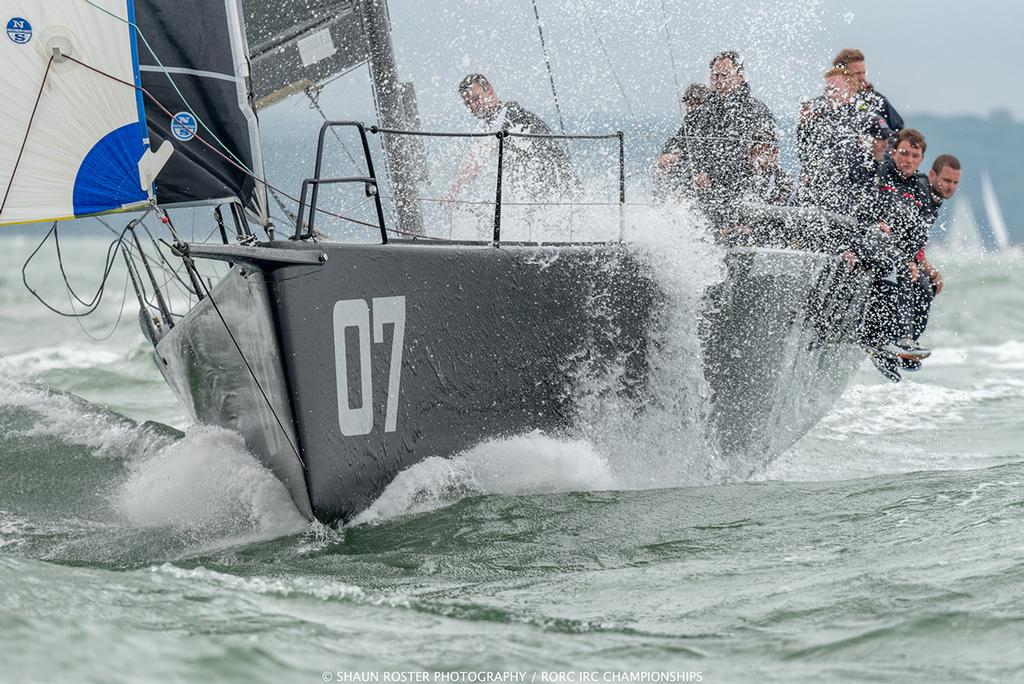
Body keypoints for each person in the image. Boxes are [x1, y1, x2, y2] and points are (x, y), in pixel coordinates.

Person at [444, 74, 575, 204]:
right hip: (543, 194)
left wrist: (452, 193)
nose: (473, 106)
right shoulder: (502, 117)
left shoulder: (509, 117)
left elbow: (474, 163)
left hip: (558, 191)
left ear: (488, 90)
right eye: (468, 103)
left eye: (476, 98)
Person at [684, 51, 778, 222]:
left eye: (724, 75)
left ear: (740, 76)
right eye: (715, 75)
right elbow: (686, 146)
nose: (719, 80)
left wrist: (711, 175)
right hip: (703, 201)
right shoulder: (702, 112)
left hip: (741, 202)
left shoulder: (756, 112)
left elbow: (761, 160)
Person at [797, 67, 875, 216]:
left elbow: (874, 162)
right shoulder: (818, 115)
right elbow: (804, 153)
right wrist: (804, 127)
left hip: (849, 200)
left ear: (851, 91)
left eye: (834, 89)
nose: (828, 94)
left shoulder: (865, 119)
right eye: (826, 90)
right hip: (815, 196)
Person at [909, 154, 962, 340]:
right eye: (947, 180)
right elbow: (902, 234)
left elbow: (917, 245)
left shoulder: (935, 199)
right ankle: (899, 341)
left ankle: (906, 345)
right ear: (932, 175)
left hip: (907, 256)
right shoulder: (920, 191)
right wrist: (908, 261)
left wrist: (932, 271)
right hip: (891, 252)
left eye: (955, 182)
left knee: (929, 283)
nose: (951, 187)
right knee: (922, 286)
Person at [655, 83, 710, 198]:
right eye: (689, 103)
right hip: (685, 175)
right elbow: (674, 142)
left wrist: (678, 157)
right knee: (661, 170)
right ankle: (661, 203)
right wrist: (669, 154)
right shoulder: (688, 124)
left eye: (696, 103)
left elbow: (700, 154)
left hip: (700, 178)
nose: (691, 107)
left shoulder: (707, 125)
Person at [832, 48, 904, 132]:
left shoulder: (877, 100)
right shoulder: (826, 104)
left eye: (864, 73)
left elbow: (899, 131)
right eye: (857, 74)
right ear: (841, 75)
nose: (862, 78)